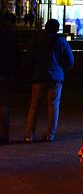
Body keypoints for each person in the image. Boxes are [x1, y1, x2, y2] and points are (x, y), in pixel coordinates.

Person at [24, 18, 74, 143]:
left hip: (38, 77)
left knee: (34, 106)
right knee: (53, 106)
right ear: (57, 29)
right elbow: (70, 60)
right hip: (56, 77)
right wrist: (62, 71)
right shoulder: (61, 41)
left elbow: (29, 58)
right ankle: (49, 135)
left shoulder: (36, 41)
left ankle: (29, 135)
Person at [0, 16, 20, 144]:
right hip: (6, 74)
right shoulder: (10, 41)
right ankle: (4, 134)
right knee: (4, 105)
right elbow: (17, 58)